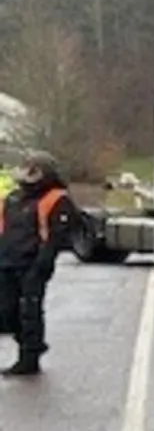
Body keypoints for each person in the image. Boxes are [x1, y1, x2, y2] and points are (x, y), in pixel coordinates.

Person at [0, 151, 79, 378]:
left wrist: (42, 265)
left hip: (33, 264)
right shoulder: (13, 198)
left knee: (29, 310)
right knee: (6, 312)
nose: (28, 174)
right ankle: (30, 343)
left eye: (34, 169)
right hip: (6, 261)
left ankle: (29, 357)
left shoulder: (56, 198)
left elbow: (57, 237)